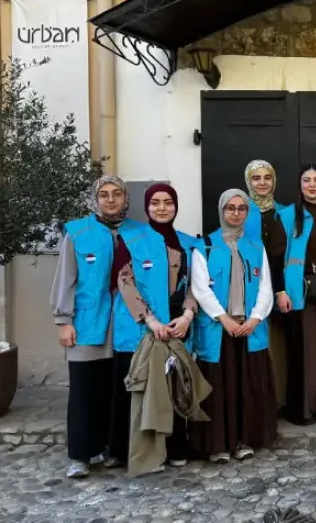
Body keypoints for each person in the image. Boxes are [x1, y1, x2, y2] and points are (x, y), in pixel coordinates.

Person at [51, 175, 142, 479]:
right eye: (104, 194)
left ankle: (107, 447)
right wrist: (63, 321)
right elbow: (65, 280)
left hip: (124, 327)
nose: (111, 199)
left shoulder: (135, 233)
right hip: (87, 324)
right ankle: (79, 455)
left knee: (114, 390)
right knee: (83, 390)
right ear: (95, 198)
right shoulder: (78, 233)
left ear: (125, 198)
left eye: (117, 193)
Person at [107, 183, 200, 471]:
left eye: (168, 202)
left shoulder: (188, 243)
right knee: (134, 389)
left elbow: (195, 284)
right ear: (147, 206)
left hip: (176, 327)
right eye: (156, 202)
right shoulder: (130, 239)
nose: (162, 208)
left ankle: (175, 447)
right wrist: (150, 320)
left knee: (174, 388)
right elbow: (125, 282)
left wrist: (187, 315)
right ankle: (124, 450)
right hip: (139, 329)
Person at [189, 189, 277, 463]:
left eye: (241, 209)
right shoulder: (205, 246)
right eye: (230, 208)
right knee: (218, 389)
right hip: (219, 330)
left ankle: (243, 440)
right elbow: (200, 289)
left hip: (249, 330)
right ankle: (218, 445)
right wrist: (224, 318)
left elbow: (265, 287)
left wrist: (254, 319)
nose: (236, 213)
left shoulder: (255, 246)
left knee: (246, 387)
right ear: (221, 211)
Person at [276, 164, 316, 425]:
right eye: (306, 180)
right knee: (302, 351)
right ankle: (301, 410)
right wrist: (280, 291)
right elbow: (275, 256)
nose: (311, 185)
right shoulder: (288, 216)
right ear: (299, 186)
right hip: (296, 294)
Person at [242, 160, 288, 410]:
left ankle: (278, 400)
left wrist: (281, 289)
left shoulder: (284, 213)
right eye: (256, 178)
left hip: (279, 288)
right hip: (250, 288)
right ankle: (256, 404)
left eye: (267, 177)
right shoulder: (240, 210)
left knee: (277, 346)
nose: (262, 183)